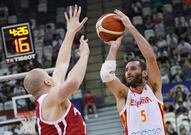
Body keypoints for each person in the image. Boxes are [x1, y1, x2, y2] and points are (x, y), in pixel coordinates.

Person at [23, 5, 89, 134]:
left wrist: (71, 31)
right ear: (47, 82)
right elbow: (73, 82)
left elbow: (61, 65)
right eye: (49, 76)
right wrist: (84, 56)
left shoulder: (48, 98)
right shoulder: (49, 101)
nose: (53, 77)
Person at [100, 9, 165, 134]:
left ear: (145, 72)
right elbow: (106, 74)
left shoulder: (154, 89)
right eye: (126, 70)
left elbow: (150, 58)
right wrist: (114, 47)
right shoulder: (124, 95)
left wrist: (130, 27)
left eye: (133, 68)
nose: (128, 72)